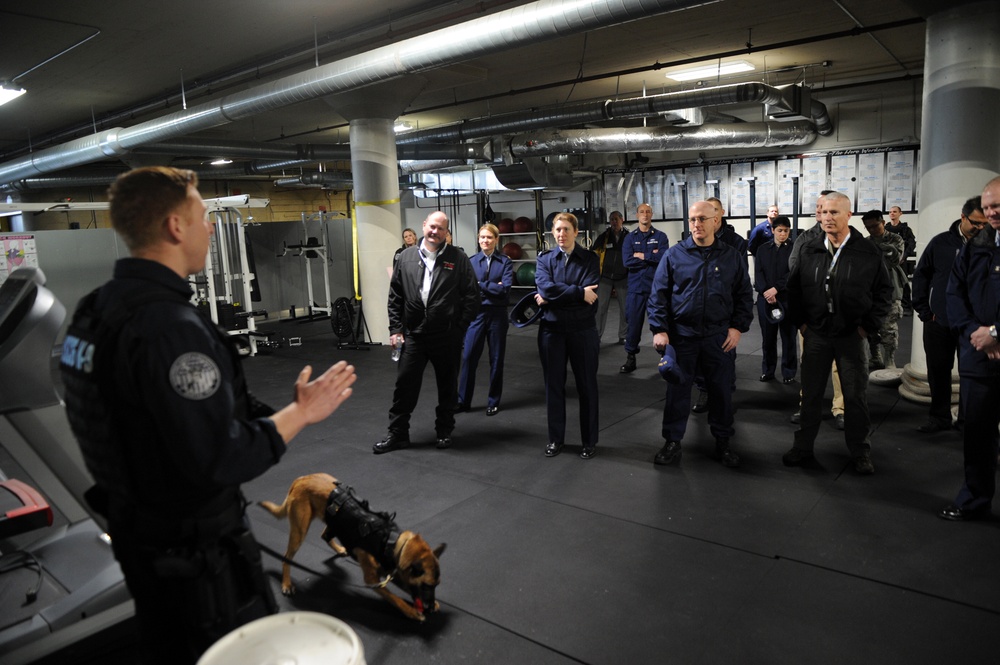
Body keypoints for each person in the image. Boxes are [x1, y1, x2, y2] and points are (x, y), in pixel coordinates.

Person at [59, 166, 358, 665]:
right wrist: (302, 413)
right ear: (176, 227)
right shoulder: (168, 328)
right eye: (203, 216)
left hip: (141, 540)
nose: (211, 227)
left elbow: (145, 418)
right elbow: (221, 456)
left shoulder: (96, 310)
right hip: (196, 563)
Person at [783, 191, 892, 475]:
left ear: (848, 215)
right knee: (811, 396)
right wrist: (802, 324)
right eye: (824, 213)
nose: (827, 218)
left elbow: (884, 293)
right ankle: (803, 447)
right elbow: (793, 289)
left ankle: (860, 451)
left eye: (834, 213)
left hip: (850, 337)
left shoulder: (868, 252)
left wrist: (866, 327)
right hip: (816, 334)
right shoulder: (809, 249)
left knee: (855, 397)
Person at [648, 200, 754, 468]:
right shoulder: (674, 255)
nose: (696, 224)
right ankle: (672, 442)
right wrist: (660, 329)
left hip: (718, 337)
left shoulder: (731, 257)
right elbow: (658, 294)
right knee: (677, 392)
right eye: (692, 219)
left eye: (702, 219)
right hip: (682, 336)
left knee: (721, 393)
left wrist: (737, 327)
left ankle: (723, 441)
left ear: (716, 221)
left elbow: (743, 295)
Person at [375, 210, 479, 453]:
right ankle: (398, 434)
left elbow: (472, 296)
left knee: (447, 387)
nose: (435, 232)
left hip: (446, 335)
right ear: (424, 225)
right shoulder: (406, 257)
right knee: (404, 386)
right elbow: (395, 297)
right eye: (432, 226)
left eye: (441, 228)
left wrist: (459, 328)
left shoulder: (458, 258)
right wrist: (396, 329)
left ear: (446, 232)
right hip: (413, 336)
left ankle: (444, 431)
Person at [939, 178, 1000, 521]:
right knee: (977, 433)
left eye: (998, 206)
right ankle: (974, 500)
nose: (992, 212)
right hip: (978, 355)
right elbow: (954, 293)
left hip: (989, 341)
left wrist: (996, 332)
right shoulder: (977, 244)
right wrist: (976, 333)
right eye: (988, 206)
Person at [911, 196, 985, 433]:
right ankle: (939, 417)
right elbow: (921, 276)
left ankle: (967, 421)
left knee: (972, 375)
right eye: (975, 222)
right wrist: (924, 311)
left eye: (985, 224)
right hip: (939, 322)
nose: (980, 228)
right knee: (938, 372)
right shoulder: (940, 243)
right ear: (963, 217)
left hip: (975, 326)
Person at [535, 212, 600, 459]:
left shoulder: (590, 259)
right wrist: (577, 293)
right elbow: (545, 287)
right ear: (553, 232)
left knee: (587, 386)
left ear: (576, 232)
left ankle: (589, 441)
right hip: (552, 331)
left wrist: (552, 299)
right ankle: (555, 440)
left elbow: (589, 295)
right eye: (557, 230)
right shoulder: (544, 259)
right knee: (553, 387)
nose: (561, 234)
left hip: (582, 330)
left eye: (566, 230)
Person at [788, 191, 846, 429]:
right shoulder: (805, 239)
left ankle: (841, 408)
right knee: (810, 364)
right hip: (813, 317)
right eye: (821, 208)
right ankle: (808, 406)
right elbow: (794, 272)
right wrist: (801, 320)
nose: (825, 213)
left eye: (831, 209)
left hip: (843, 317)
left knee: (840, 366)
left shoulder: (852, 239)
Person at [690, 196, 749, 413]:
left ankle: (726, 394)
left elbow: (740, 284)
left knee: (724, 357)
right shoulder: (690, 245)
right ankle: (704, 390)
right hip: (698, 315)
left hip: (725, 313)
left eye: (713, 211)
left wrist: (737, 323)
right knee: (699, 360)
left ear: (720, 214)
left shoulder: (736, 243)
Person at [457, 223, 514, 416]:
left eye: (489, 237)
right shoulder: (471, 262)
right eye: (482, 237)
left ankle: (493, 401)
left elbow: (505, 290)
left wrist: (481, 285)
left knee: (496, 359)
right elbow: (467, 290)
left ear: (496, 240)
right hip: (477, 315)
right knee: (468, 357)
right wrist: (491, 287)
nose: (485, 241)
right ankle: (463, 401)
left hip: (498, 315)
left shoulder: (505, 262)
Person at [620, 203, 669, 373]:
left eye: (648, 212)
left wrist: (641, 255)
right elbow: (627, 261)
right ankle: (630, 357)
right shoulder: (629, 238)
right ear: (637, 215)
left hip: (656, 289)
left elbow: (663, 257)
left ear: (651, 214)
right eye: (642, 212)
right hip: (636, 289)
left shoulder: (661, 237)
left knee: (660, 324)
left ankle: (666, 358)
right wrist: (651, 257)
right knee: (633, 325)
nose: (645, 215)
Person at [861, 210, 907, 369]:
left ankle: (889, 360)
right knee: (871, 327)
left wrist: (877, 250)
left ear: (883, 222)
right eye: (868, 227)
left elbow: (894, 258)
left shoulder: (895, 238)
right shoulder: (865, 242)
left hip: (891, 290)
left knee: (889, 329)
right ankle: (875, 357)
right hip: (870, 291)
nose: (872, 230)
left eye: (875, 226)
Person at [754, 215, 797, 383]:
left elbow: (793, 273)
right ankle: (768, 371)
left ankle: (789, 372)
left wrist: (776, 289)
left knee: (788, 338)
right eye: (779, 230)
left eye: (786, 231)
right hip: (766, 300)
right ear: (772, 230)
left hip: (786, 299)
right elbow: (758, 273)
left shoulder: (794, 249)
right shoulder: (763, 249)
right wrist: (766, 291)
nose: (783, 234)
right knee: (768, 338)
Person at [590, 209, 629, 343]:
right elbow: (593, 252)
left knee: (625, 308)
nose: (613, 222)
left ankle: (623, 336)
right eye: (611, 219)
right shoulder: (604, 236)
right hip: (605, 277)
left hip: (623, 277)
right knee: (601, 307)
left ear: (622, 220)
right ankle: (597, 335)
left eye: (616, 219)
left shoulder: (628, 236)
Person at [886, 205, 916, 312]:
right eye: (890, 212)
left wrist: (904, 256)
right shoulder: (886, 229)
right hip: (887, 262)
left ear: (900, 213)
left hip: (901, 261)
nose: (892, 214)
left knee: (903, 283)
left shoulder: (906, 230)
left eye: (894, 211)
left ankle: (906, 306)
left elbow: (911, 244)